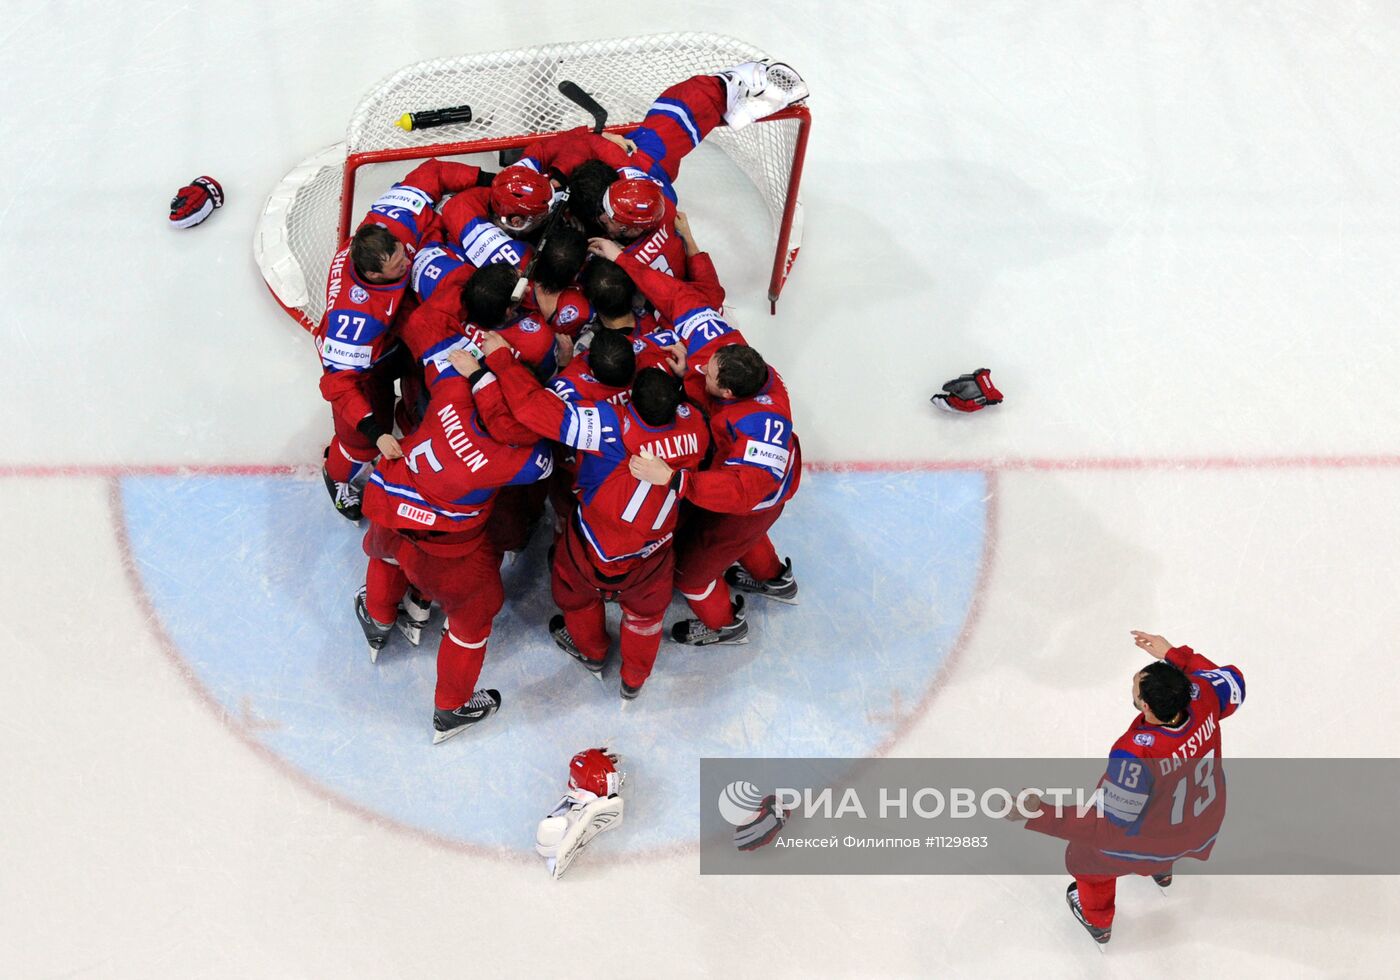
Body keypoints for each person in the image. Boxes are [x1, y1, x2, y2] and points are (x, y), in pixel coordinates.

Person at [455, 331, 709, 699]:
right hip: (654, 554)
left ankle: (593, 653)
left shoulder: (610, 427)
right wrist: (690, 379)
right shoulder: (696, 428)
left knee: (575, 599)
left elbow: (530, 409)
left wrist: (498, 362)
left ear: (633, 404)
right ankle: (634, 680)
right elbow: (696, 408)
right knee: (647, 617)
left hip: (594, 550)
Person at [354, 350, 554, 743]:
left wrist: (481, 372)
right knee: (474, 618)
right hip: (449, 554)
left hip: (394, 505)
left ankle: (378, 618)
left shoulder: (452, 391)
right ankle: (450, 707)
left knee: (388, 554)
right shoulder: (511, 459)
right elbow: (545, 451)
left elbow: (438, 350)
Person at [1008, 631, 1247, 944]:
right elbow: (1234, 683)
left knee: (1085, 858)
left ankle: (1098, 920)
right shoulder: (1202, 695)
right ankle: (1161, 870)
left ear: (1145, 707)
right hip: (1204, 822)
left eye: (1135, 687)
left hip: (1159, 838)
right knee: (1165, 813)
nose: (1133, 685)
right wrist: (1175, 655)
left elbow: (1106, 826)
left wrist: (1037, 813)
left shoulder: (1135, 753)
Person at [318, 158, 492, 521]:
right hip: (368, 366)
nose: (406, 263)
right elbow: (337, 383)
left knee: (421, 397)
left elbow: (434, 173)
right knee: (360, 445)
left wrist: (494, 179)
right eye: (398, 266)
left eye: (403, 253)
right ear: (372, 274)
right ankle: (337, 477)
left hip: (402, 338)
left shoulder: (394, 220)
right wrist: (375, 431)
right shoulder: (354, 320)